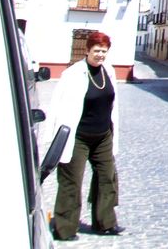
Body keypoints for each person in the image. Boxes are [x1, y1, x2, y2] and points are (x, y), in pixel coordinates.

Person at [48, 31, 124, 240]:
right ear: (88, 50)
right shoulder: (73, 74)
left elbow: (112, 105)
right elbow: (57, 105)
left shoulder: (108, 71)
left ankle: (105, 223)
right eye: (97, 51)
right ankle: (65, 228)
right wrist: (54, 137)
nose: (100, 55)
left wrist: (111, 131)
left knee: (107, 178)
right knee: (72, 181)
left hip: (103, 136)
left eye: (104, 51)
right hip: (78, 137)